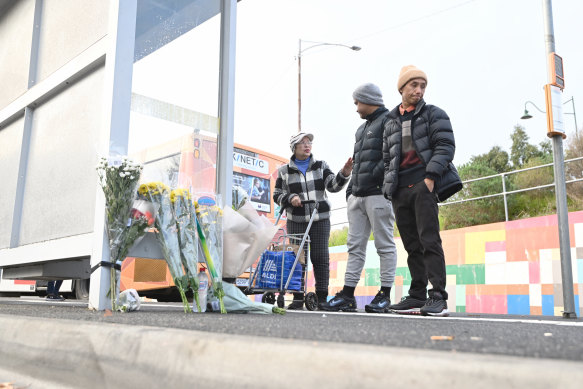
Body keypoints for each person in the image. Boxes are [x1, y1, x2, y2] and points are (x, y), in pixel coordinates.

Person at [382, 65, 462, 317]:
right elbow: (387, 157)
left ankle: (438, 296)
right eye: (413, 85)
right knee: (411, 245)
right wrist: (389, 186)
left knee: (429, 240)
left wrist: (430, 177)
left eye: (422, 85)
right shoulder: (390, 121)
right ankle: (417, 295)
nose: (418, 90)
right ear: (402, 88)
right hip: (399, 189)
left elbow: (446, 146)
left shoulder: (434, 114)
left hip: (423, 183)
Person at [320, 83, 398, 313]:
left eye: (357, 102)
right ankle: (347, 295)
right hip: (358, 197)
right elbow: (358, 164)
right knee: (355, 247)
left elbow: (391, 158)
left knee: (385, 245)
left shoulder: (389, 120)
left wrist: (375, 181)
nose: (356, 108)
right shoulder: (360, 130)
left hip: (378, 195)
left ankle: (384, 295)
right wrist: (351, 190)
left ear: (368, 99)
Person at [274, 132, 353, 310]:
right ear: (294, 147)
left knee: (320, 257)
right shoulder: (284, 171)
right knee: (297, 258)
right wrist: (291, 197)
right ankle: (297, 296)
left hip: (320, 218)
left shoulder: (320, 166)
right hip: (296, 219)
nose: (307, 145)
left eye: (309, 142)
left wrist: (345, 173)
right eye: (302, 143)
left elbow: (333, 186)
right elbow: (277, 195)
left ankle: (322, 297)